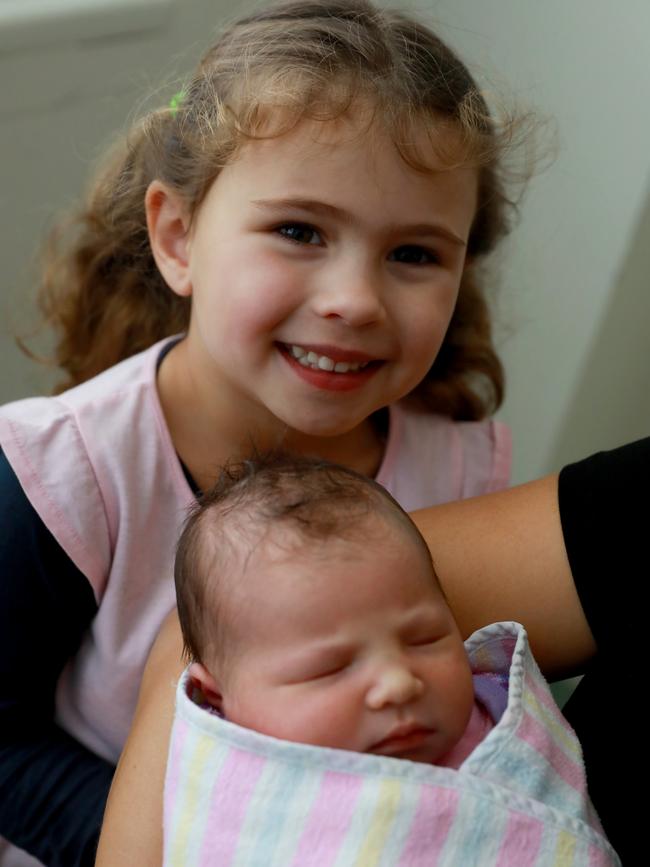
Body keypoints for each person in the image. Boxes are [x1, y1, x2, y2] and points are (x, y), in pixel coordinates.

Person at [0, 2, 527, 864]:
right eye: (298, 231)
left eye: (415, 254)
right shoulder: (68, 476)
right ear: (178, 237)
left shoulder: (462, 472)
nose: (354, 298)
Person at [103, 453, 618, 866]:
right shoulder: (247, 817)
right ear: (218, 697)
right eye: (331, 668)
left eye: (425, 638)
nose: (398, 682)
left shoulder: (491, 713)